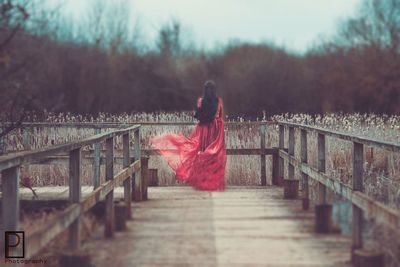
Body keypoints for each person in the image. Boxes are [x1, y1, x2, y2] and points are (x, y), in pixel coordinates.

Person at [150, 80, 226, 191]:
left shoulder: (201, 101)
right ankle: (213, 183)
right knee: (214, 156)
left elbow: (200, 114)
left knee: (200, 152)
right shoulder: (218, 101)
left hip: (203, 129)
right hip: (215, 129)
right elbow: (220, 116)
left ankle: (203, 182)